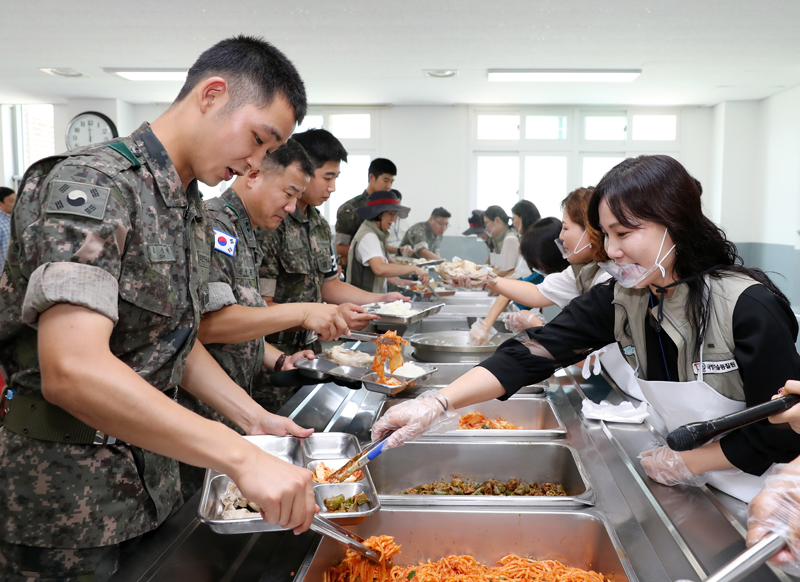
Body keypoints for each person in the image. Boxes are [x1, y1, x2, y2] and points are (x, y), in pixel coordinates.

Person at [0, 36, 318, 582]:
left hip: (152, 485)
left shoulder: (182, 204)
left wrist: (252, 419)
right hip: (68, 503)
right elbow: (71, 369)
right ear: (212, 95)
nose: (255, 164)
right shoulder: (95, 184)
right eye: (259, 141)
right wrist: (238, 456)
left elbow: (172, 341)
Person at [373, 154, 800, 504]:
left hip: (762, 496)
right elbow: (535, 352)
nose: (610, 251)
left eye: (624, 233)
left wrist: (692, 462)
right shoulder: (623, 297)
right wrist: (438, 403)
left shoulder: (747, 307)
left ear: (675, 223)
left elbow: (780, 427)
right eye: (605, 234)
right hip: (688, 485)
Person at [177, 139, 351, 499]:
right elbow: (206, 327)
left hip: (235, 407)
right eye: (288, 193)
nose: (291, 207)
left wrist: (279, 358)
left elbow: (244, 319)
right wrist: (302, 312)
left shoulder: (247, 232)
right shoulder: (214, 226)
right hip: (203, 416)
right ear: (253, 175)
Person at [257, 129, 406, 367]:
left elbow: (330, 285)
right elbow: (262, 307)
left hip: (309, 349)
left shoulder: (320, 226)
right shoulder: (272, 223)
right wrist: (327, 315)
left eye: (336, 178)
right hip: (272, 353)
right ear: (302, 169)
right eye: (327, 178)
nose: (333, 187)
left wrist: (381, 299)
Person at [470, 217, 568, 346]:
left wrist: (535, 323)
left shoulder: (574, 280)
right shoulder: (543, 275)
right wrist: (485, 326)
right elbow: (512, 290)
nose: (538, 268)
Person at [346, 190, 430, 293]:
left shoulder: (375, 233)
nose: (394, 219)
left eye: (395, 215)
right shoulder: (369, 236)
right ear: (378, 213)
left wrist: (397, 280)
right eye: (390, 214)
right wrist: (414, 268)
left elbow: (372, 272)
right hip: (363, 303)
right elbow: (379, 268)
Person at [334, 157, 396, 268]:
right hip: (352, 272)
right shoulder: (350, 209)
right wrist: (373, 257)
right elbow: (340, 248)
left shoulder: (384, 209)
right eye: (385, 181)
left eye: (391, 182)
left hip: (376, 271)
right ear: (371, 177)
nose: (389, 186)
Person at [483, 205, 520, 277]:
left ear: (497, 220)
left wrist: (484, 278)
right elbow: (496, 267)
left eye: (486, 223)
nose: (486, 228)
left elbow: (508, 270)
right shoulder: (496, 239)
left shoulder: (510, 238)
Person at [0, 187, 15, 269]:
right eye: (12, 201)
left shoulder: (15, 220)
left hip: (14, 273)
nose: (16, 204)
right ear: (0, 203)